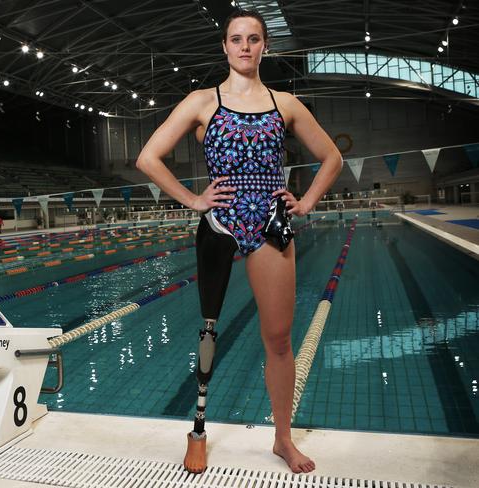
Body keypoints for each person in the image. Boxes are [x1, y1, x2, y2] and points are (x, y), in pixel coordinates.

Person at [136, 9, 342, 475]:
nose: (245, 46)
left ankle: (283, 440)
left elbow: (331, 157)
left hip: (270, 224)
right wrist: (193, 198)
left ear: (265, 45)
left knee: (279, 338)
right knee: (209, 330)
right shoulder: (201, 101)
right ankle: (200, 431)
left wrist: (305, 202)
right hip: (221, 224)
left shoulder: (284, 103)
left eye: (253, 38)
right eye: (236, 39)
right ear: (225, 47)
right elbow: (148, 158)